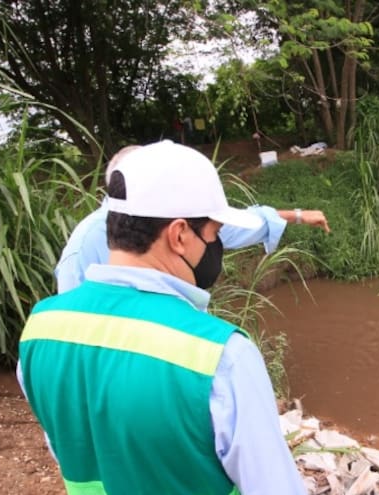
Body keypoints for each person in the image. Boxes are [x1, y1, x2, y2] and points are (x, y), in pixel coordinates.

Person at [18, 140, 306, 494]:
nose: (216, 248)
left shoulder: (39, 331)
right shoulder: (222, 357)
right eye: (214, 234)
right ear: (179, 235)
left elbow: (66, 444)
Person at [55, 142, 330, 293]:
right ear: (178, 235)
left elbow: (236, 225)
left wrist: (297, 215)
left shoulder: (175, 217)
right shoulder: (84, 247)